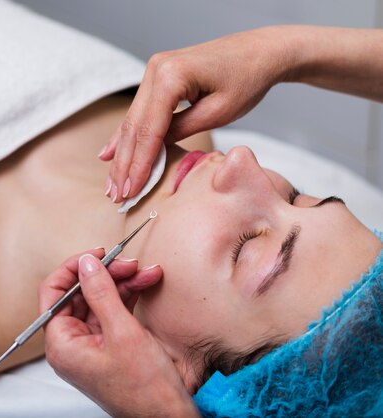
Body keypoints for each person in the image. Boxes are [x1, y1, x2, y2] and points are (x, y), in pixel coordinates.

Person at [41, 25, 383, 417]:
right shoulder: (187, 126)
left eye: (248, 246)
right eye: (297, 197)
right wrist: (280, 49)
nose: (242, 159)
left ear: (172, 368)